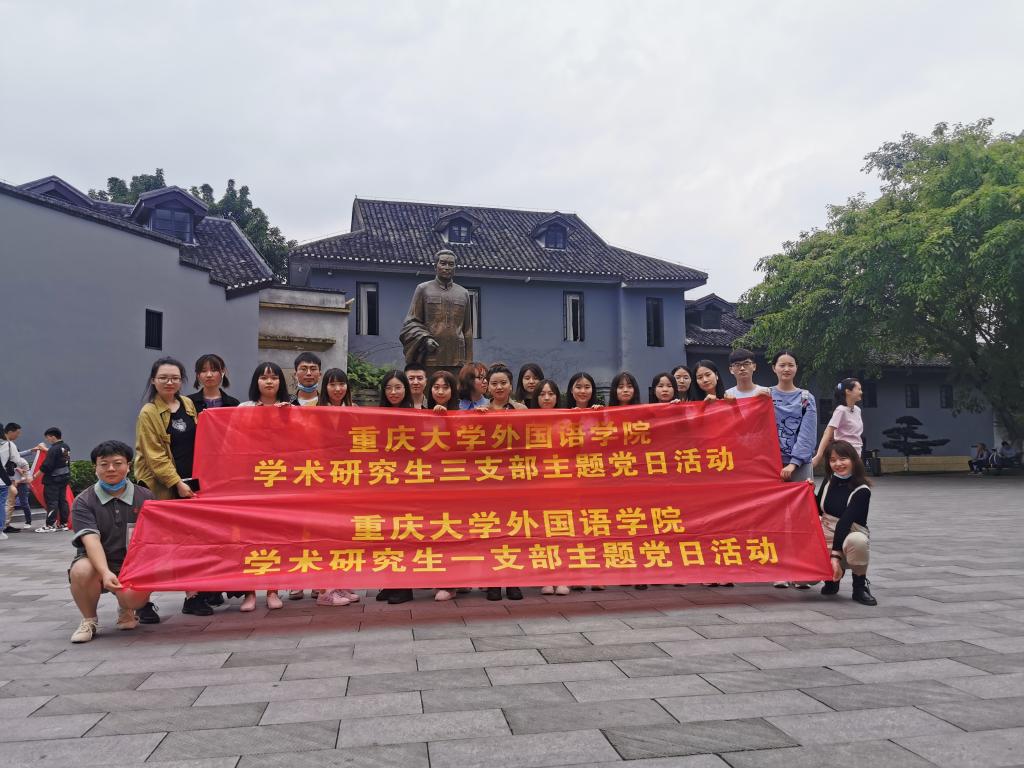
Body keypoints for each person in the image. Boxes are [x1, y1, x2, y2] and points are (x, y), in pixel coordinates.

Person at [134, 357, 206, 618]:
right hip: (160, 487)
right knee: (156, 545)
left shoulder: (187, 404)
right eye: (163, 377)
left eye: (175, 378)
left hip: (189, 483)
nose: (169, 382)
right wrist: (176, 483)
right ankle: (141, 601)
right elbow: (155, 457)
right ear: (153, 380)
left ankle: (193, 596)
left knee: (190, 542)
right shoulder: (149, 412)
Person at [68, 440, 157, 643]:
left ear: (128, 466)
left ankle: (127, 609)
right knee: (81, 570)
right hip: (96, 560)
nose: (111, 469)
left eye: (117, 463)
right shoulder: (84, 501)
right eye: (104, 464)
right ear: (95, 468)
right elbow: (91, 540)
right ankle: (89, 619)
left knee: (134, 599)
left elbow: (154, 538)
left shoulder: (146, 496)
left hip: (132, 563)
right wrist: (105, 572)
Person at [237, 362, 292, 611]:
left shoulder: (290, 409)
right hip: (250, 481)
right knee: (248, 537)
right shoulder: (244, 408)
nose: (269, 382)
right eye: (263, 377)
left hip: (279, 482)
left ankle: (273, 589)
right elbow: (234, 440)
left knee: (275, 536)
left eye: (274, 377)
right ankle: (249, 592)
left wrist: (288, 417)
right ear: (256, 382)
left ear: (281, 382)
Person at [187, 354, 238, 609]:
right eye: (203, 371)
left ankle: (218, 584)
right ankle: (198, 590)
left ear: (222, 372)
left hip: (225, 477)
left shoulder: (233, 404)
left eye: (214, 370)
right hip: (196, 475)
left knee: (224, 531)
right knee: (199, 533)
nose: (209, 375)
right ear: (197, 375)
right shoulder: (187, 404)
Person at [769, 350, 818, 590]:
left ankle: (801, 571)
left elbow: (807, 433)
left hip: (799, 465)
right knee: (776, 518)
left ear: (797, 368)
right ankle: (779, 569)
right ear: (774, 368)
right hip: (771, 466)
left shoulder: (806, 398)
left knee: (801, 518)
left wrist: (793, 463)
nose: (786, 369)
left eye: (791, 365)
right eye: (782, 365)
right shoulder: (765, 395)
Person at [312, 368, 359, 606]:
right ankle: (325, 591)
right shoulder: (315, 412)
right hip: (323, 482)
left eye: (342, 384)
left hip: (348, 480)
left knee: (344, 535)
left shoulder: (354, 410)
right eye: (332, 384)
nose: (338, 389)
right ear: (325, 387)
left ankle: (340, 584)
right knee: (326, 535)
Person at [814, 440, 877, 606]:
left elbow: (844, 523)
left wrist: (835, 556)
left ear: (853, 460)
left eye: (843, 459)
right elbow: (817, 510)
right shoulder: (829, 481)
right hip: (826, 533)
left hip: (849, 535)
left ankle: (859, 586)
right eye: (833, 460)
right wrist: (807, 491)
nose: (838, 464)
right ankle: (832, 579)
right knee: (803, 579)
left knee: (858, 541)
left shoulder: (862, 490)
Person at [399, 249, 474, 373]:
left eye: (451, 264)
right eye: (443, 263)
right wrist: (425, 339)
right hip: (431, 356)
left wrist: (469, 362)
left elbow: (468, 330)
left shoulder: (463, 293)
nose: (447, 267)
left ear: (455, 268)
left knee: (456, 386)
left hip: (457, 358)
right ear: (435, 266)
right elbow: (411, 322)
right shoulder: (423, 289)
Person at [376, 370, 415, 604]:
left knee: (404, 534)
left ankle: (405, 586)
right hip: (384, 483)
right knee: (387, 534)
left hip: (408, 485)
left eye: (398, 387)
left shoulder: (416, 414)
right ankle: (390, 582)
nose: (393, 392)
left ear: (405, 390)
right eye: (389, 388)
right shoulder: (377, 416)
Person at [534, 380, 570, 596]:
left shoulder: (567, 419)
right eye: (542, 394)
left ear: (558, 396)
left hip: (563, 483)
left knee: (562, 531)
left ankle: (563, 577)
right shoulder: (528, 420)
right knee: (542, 533)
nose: (547, 398)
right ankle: (545, 577)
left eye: (551, 393)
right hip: (538, 485)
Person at [813, 378, 863, 468]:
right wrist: (819, 455)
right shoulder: (841, 410)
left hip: (857, 452)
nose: (861, 392)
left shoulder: (857, 410)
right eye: (859, 389)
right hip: (843, 453)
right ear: (848, 391)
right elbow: (828, 432)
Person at [38, 427, 72, 533]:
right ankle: (63, 524)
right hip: (64, 478)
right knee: (62, 501)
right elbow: (59, 457)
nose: (47, 440)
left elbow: (46, 466)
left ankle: (49, 525)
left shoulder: (53, 449)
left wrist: (34, 476)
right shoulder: (65, 446)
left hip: (53, 479)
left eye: (47, 438)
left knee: (52, 502)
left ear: (53, 437)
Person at [1, 423, 33, 534]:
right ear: (10, 432)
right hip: (5, 480)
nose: (18, 435)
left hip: (6, 478)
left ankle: (5, 525)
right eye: (17, 433)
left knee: (7, 503)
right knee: (7, 504)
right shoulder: (9, 444)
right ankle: (3, 526)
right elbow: (17, 459)